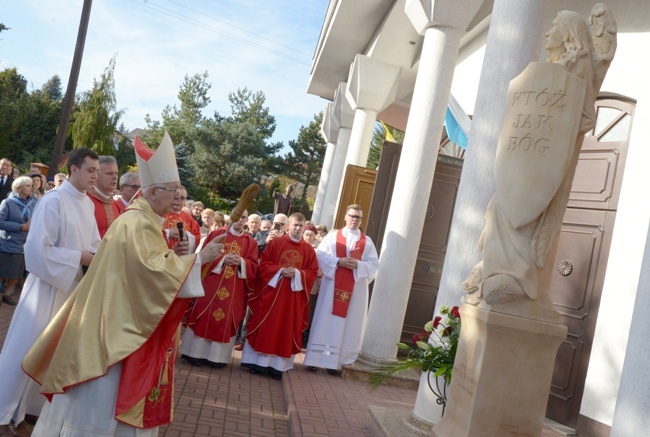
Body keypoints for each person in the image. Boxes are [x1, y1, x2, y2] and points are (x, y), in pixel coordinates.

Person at [22, 132, 226, 436]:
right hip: (114, 332)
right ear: (153, 192)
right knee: (99, 405)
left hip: (118, 320)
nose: (178, 198)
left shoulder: (145, 219)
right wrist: (199, 259)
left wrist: (180, 257)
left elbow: (147, 268)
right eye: (172, 191)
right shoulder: (137, 222)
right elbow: (151, 273)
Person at [0, 148, 101, 434]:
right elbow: (36, 250)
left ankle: (31, 410)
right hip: (45, 288)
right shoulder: (54, 201)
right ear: (73, 169)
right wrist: (77, 258)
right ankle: (3, 409)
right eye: (91, 170)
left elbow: (94, 243)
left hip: (71, 289)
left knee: (54, 353)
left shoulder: (88, 204)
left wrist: (96, 256)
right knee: (27, 347)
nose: (94, 176)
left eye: (97, 171)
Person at [241, 212, 319, 380]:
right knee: (266, 325)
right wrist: (281, 270)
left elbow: (312, 273)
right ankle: (257, 363)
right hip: (272, 294)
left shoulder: (308, 250)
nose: (298, 229)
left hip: (293, 298)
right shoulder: (276, 243)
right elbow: (264, 265)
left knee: (286, 327)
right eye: (295, 225)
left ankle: (277, 367)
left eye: (301, 226)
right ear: (288, 226)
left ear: (304, 227)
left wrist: (298, 273)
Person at [304, 205, 379, 375]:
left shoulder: (366, 241)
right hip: (332, 287)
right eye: (352, 216)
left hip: (354, 289)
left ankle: (336, 362)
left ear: (361, 220)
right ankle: (314, 359)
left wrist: (358, 265)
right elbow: (321, 255)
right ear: (345, 217)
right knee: (325, 320)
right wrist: (339, 262)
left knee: (347, 323)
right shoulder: (332, 237)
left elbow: (374, 265)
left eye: (358, 217)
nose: (354, 220)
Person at [181, 209, 258, 368]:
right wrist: (223, 259)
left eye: (243, 218)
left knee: (227, 318)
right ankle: (194, 353)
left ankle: (217, 358)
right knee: (203, 315)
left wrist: (242, 262)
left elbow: (254, 267)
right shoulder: (217, 234)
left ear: (246, 221)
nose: (239, 221)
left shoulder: (250, 242)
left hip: (234, 289)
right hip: (211, 283)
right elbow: (203, 256)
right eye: (237, 217)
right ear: (231, 217)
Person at [0, 176, 37, 306]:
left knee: (16, 272)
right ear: (19, 188)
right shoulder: (8, 202)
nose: (31, 188)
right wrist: (19, 227)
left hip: (25, 244)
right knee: (2, 271)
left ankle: (7, 294)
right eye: (28, 186)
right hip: (9, 242)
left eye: (31, 185)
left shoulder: (35, 203)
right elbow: (0, 222)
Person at [86, 155, 121, 238]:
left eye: (116, 173)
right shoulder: (85, 201)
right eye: (109, 173)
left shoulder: (115, 205)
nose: (115, 177)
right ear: (95, 175)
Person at [163, 187, 201, 252]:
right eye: (176, 197)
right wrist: (168, 233)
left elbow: (197, 239)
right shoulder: (161, 213)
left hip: (182, 257)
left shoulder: (190, 219)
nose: (179, 200)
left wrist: (186, 234)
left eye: (182, 198)